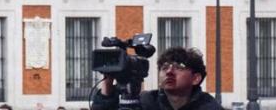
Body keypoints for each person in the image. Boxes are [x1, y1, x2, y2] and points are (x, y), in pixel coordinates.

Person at [91, 46, 220, 110]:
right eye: (164, 67)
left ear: (196, 78)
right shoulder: (146, 101)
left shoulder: (209, 106)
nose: (169, 71)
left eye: (178, 67)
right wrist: (107, 86)